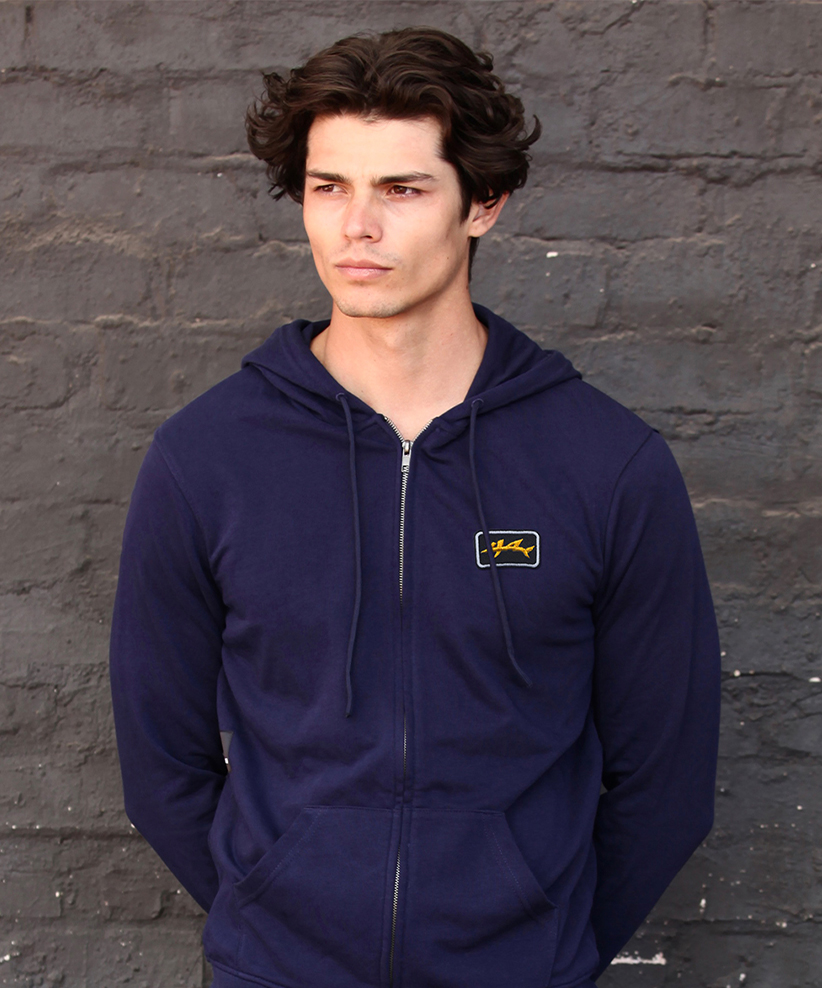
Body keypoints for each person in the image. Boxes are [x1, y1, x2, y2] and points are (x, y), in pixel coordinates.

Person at [109, 26, 721, 988]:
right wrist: (269, 918)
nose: (356, 226)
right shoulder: (208, 458)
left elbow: (668, 782)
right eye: (329, 187)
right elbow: (161, 764)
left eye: (401, 190)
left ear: (483, 204)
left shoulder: (607, 464)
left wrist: (544, 950)